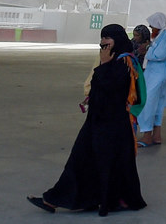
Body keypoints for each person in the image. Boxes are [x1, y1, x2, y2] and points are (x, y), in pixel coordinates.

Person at [29, 24, 147, 216]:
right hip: (98, 122)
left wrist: (104, 65)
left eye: (107, 38)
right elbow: (97, 88)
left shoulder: (124, 62)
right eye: (102, 38)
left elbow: (109, 90)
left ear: (117, 39)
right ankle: (59, 199)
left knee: (96, 162)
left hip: (112, 125)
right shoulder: (112, 58)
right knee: (83, 161)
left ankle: (99, 200)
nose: (103, 42)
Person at [136, 11, 166, 147]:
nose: (151, 29)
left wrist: (147, 50)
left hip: (157, 74)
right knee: (158, 104)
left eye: (152, 26)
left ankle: (147, 135)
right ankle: (156, 135)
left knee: (147, 103)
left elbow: (160, 54)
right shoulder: (165, 33)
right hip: (159, 73)